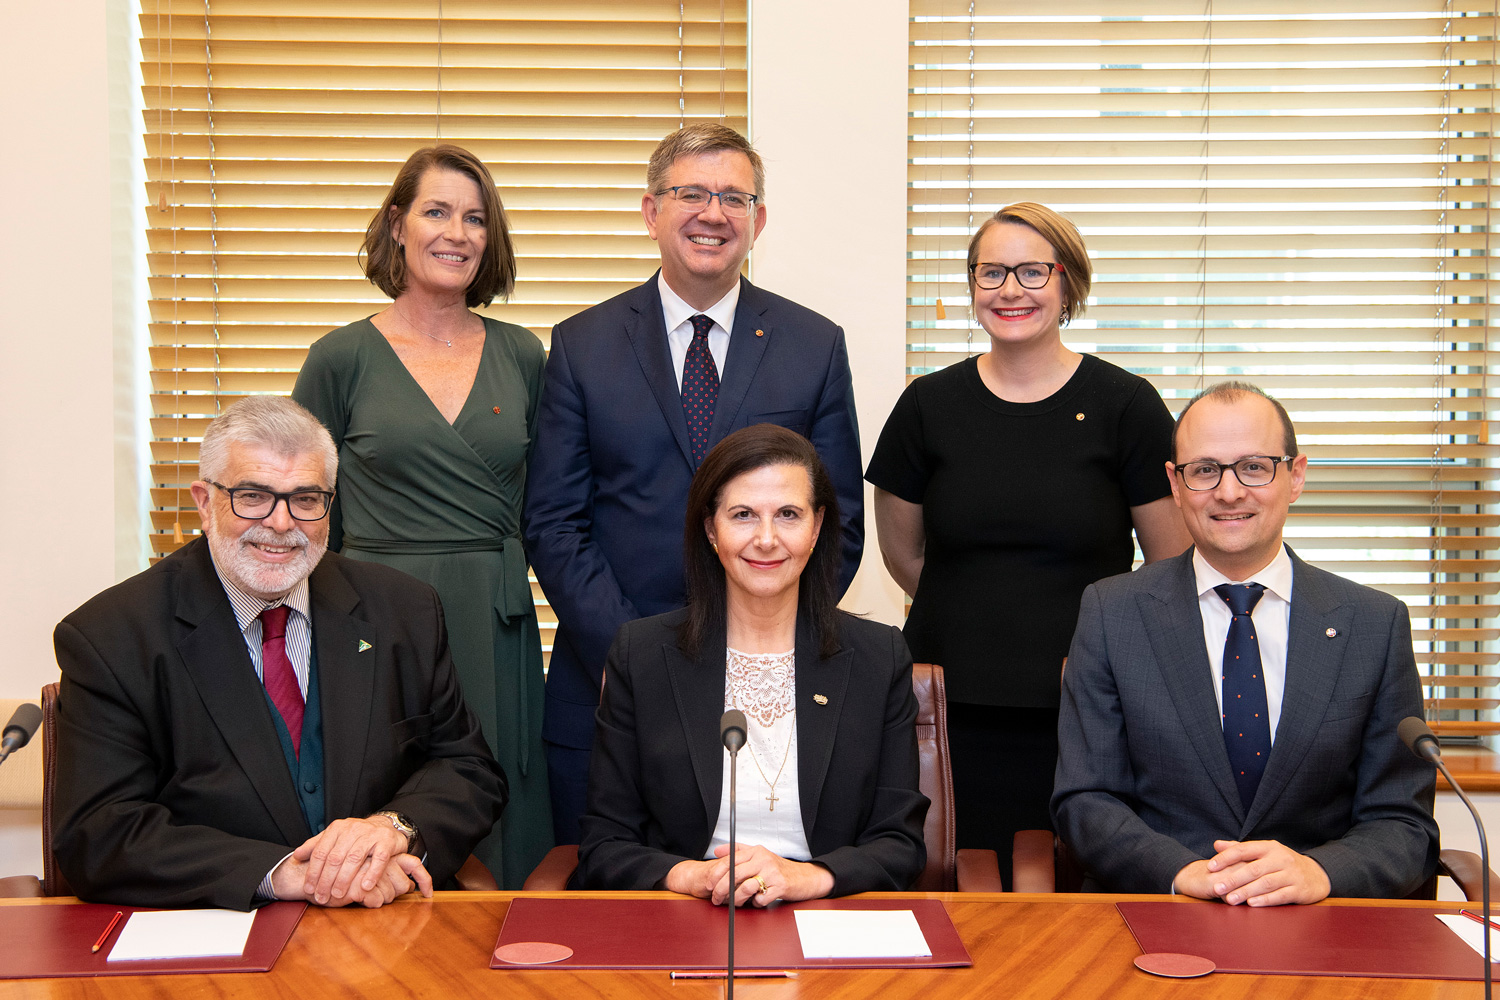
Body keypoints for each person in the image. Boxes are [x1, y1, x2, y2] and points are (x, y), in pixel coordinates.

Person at [524, 124, 865, 846]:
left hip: (772, 688)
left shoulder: (814, 345)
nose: (714, 213)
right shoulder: (582, 345)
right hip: (608, 685)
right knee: (617, 923)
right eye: (691, 194)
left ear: (758, 221)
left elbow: (840, 524)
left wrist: (751, 648)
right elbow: (554, 523)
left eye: (734, 197)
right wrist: (638, 652)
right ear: (651, 211)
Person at [52, 396, 507, 910]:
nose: (281, 523)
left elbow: (468, 769)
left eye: (306, 499)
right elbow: (98, 833)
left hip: (382, 919)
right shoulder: (111, 636)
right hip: (215, 932)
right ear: (204, 501)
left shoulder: (403, 610)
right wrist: (283, 874)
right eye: (252, 496)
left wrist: (394, 829)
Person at [865, 202, 1190, 881]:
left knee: (1073, 898)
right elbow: (905, 557)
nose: (1010, 289)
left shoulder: (1125, 405)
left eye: (1032, 271)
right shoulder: (928, 406)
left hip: (1087, 707)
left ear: (1068, 283)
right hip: (946, 710)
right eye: (992, 272)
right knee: (948, 888)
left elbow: (1168, 563)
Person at [1052, 382, 1439, 903]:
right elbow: (1085, 800)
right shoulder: (1112, 612)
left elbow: (1402, 821)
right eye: (1204, 469)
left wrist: (1321, 873)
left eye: (1254, 467)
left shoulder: (1374, 623)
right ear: (1175, 481)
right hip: (1159, 912)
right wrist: (1182, 872)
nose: (1229, 492)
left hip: (1319, 921)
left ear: (1295, 476)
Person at [291, 144, 547, 888]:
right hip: (376, 617)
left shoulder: (524, 354)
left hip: (494, 614)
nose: (457, 233)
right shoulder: (340, 358)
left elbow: (548, 500)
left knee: (498, 824)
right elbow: (305, 509)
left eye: (475, 218)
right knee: (384, 806)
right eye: (437, 211)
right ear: (398, 224)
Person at [573, 423, 925, 900]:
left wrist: (809, 877)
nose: (765, 538)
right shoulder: (642, 656)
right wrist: (690, 876)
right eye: (742, 515)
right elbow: (605, 843)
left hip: (828, 917)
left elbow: (899, 843)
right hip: (688, 912)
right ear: (709, 528)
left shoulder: (878, 658)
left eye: (787, 514)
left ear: (817, 527)